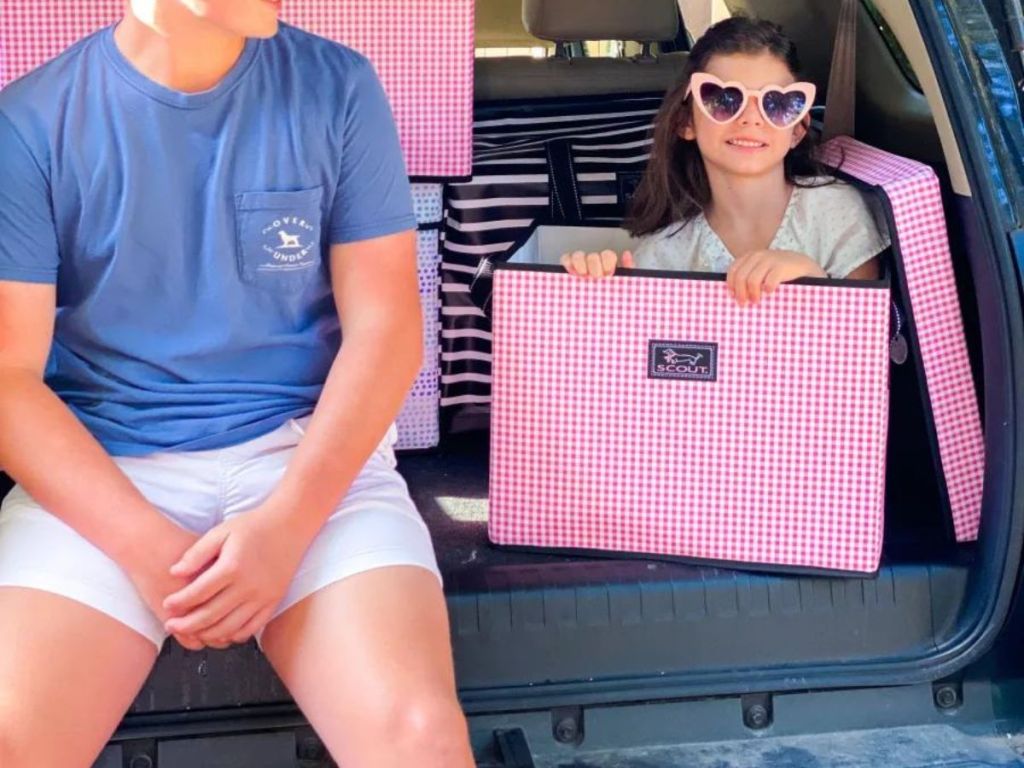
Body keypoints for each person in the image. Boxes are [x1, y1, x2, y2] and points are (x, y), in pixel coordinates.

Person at [0, 1, 474, 766]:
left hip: (310, 465)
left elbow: (386, 335)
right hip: (104, 476)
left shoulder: (339, 87)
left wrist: (285, 527)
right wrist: (149, 550)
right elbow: (8, 382)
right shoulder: (26, 124)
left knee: (419, 738)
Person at [561, 16, 889, 303]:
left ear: (797, 128)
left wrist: (811, 280)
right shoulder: (663, 253)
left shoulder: (838, 213)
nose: (751, 118)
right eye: (724, 99)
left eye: (776, 103)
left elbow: (869, 349)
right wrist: (600, 296)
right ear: (685, 122)